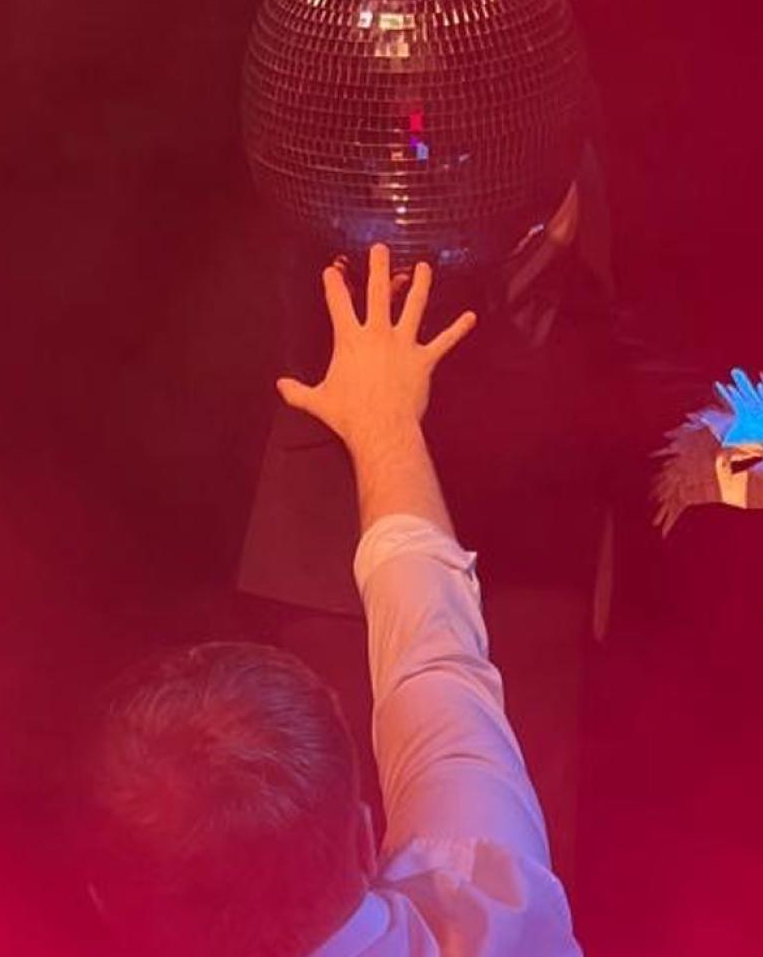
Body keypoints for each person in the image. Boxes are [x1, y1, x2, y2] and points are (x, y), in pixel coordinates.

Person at [87, 244, 582, 957]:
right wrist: (384, 423)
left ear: (109, 903)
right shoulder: (496, 909)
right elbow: (436, 662)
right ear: (361, 834)